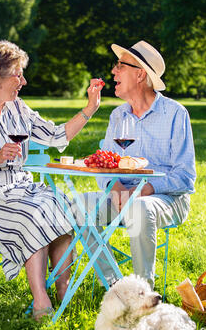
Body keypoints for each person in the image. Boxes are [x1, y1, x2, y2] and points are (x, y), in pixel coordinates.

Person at [0, 40, 104, 320]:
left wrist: (90, 108)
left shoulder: (18, 109)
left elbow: (57, 137)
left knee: (62, 205)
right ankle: (41, 303)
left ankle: (62, 289)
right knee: (34, 213)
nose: (24, 80)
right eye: (17, 74)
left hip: (19, 188)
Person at [78, 40, 196, 289]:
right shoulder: (118, 115)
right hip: (122, 195)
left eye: (120, 66)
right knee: (78, 207)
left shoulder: (175, 114)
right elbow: (104, 165)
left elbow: (185, 177)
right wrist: (115, 186)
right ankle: (116, 288)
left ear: (140, 74)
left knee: (139, 209)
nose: (113, 72)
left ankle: (144, 295)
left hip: (165, 198)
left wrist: (142, 191)